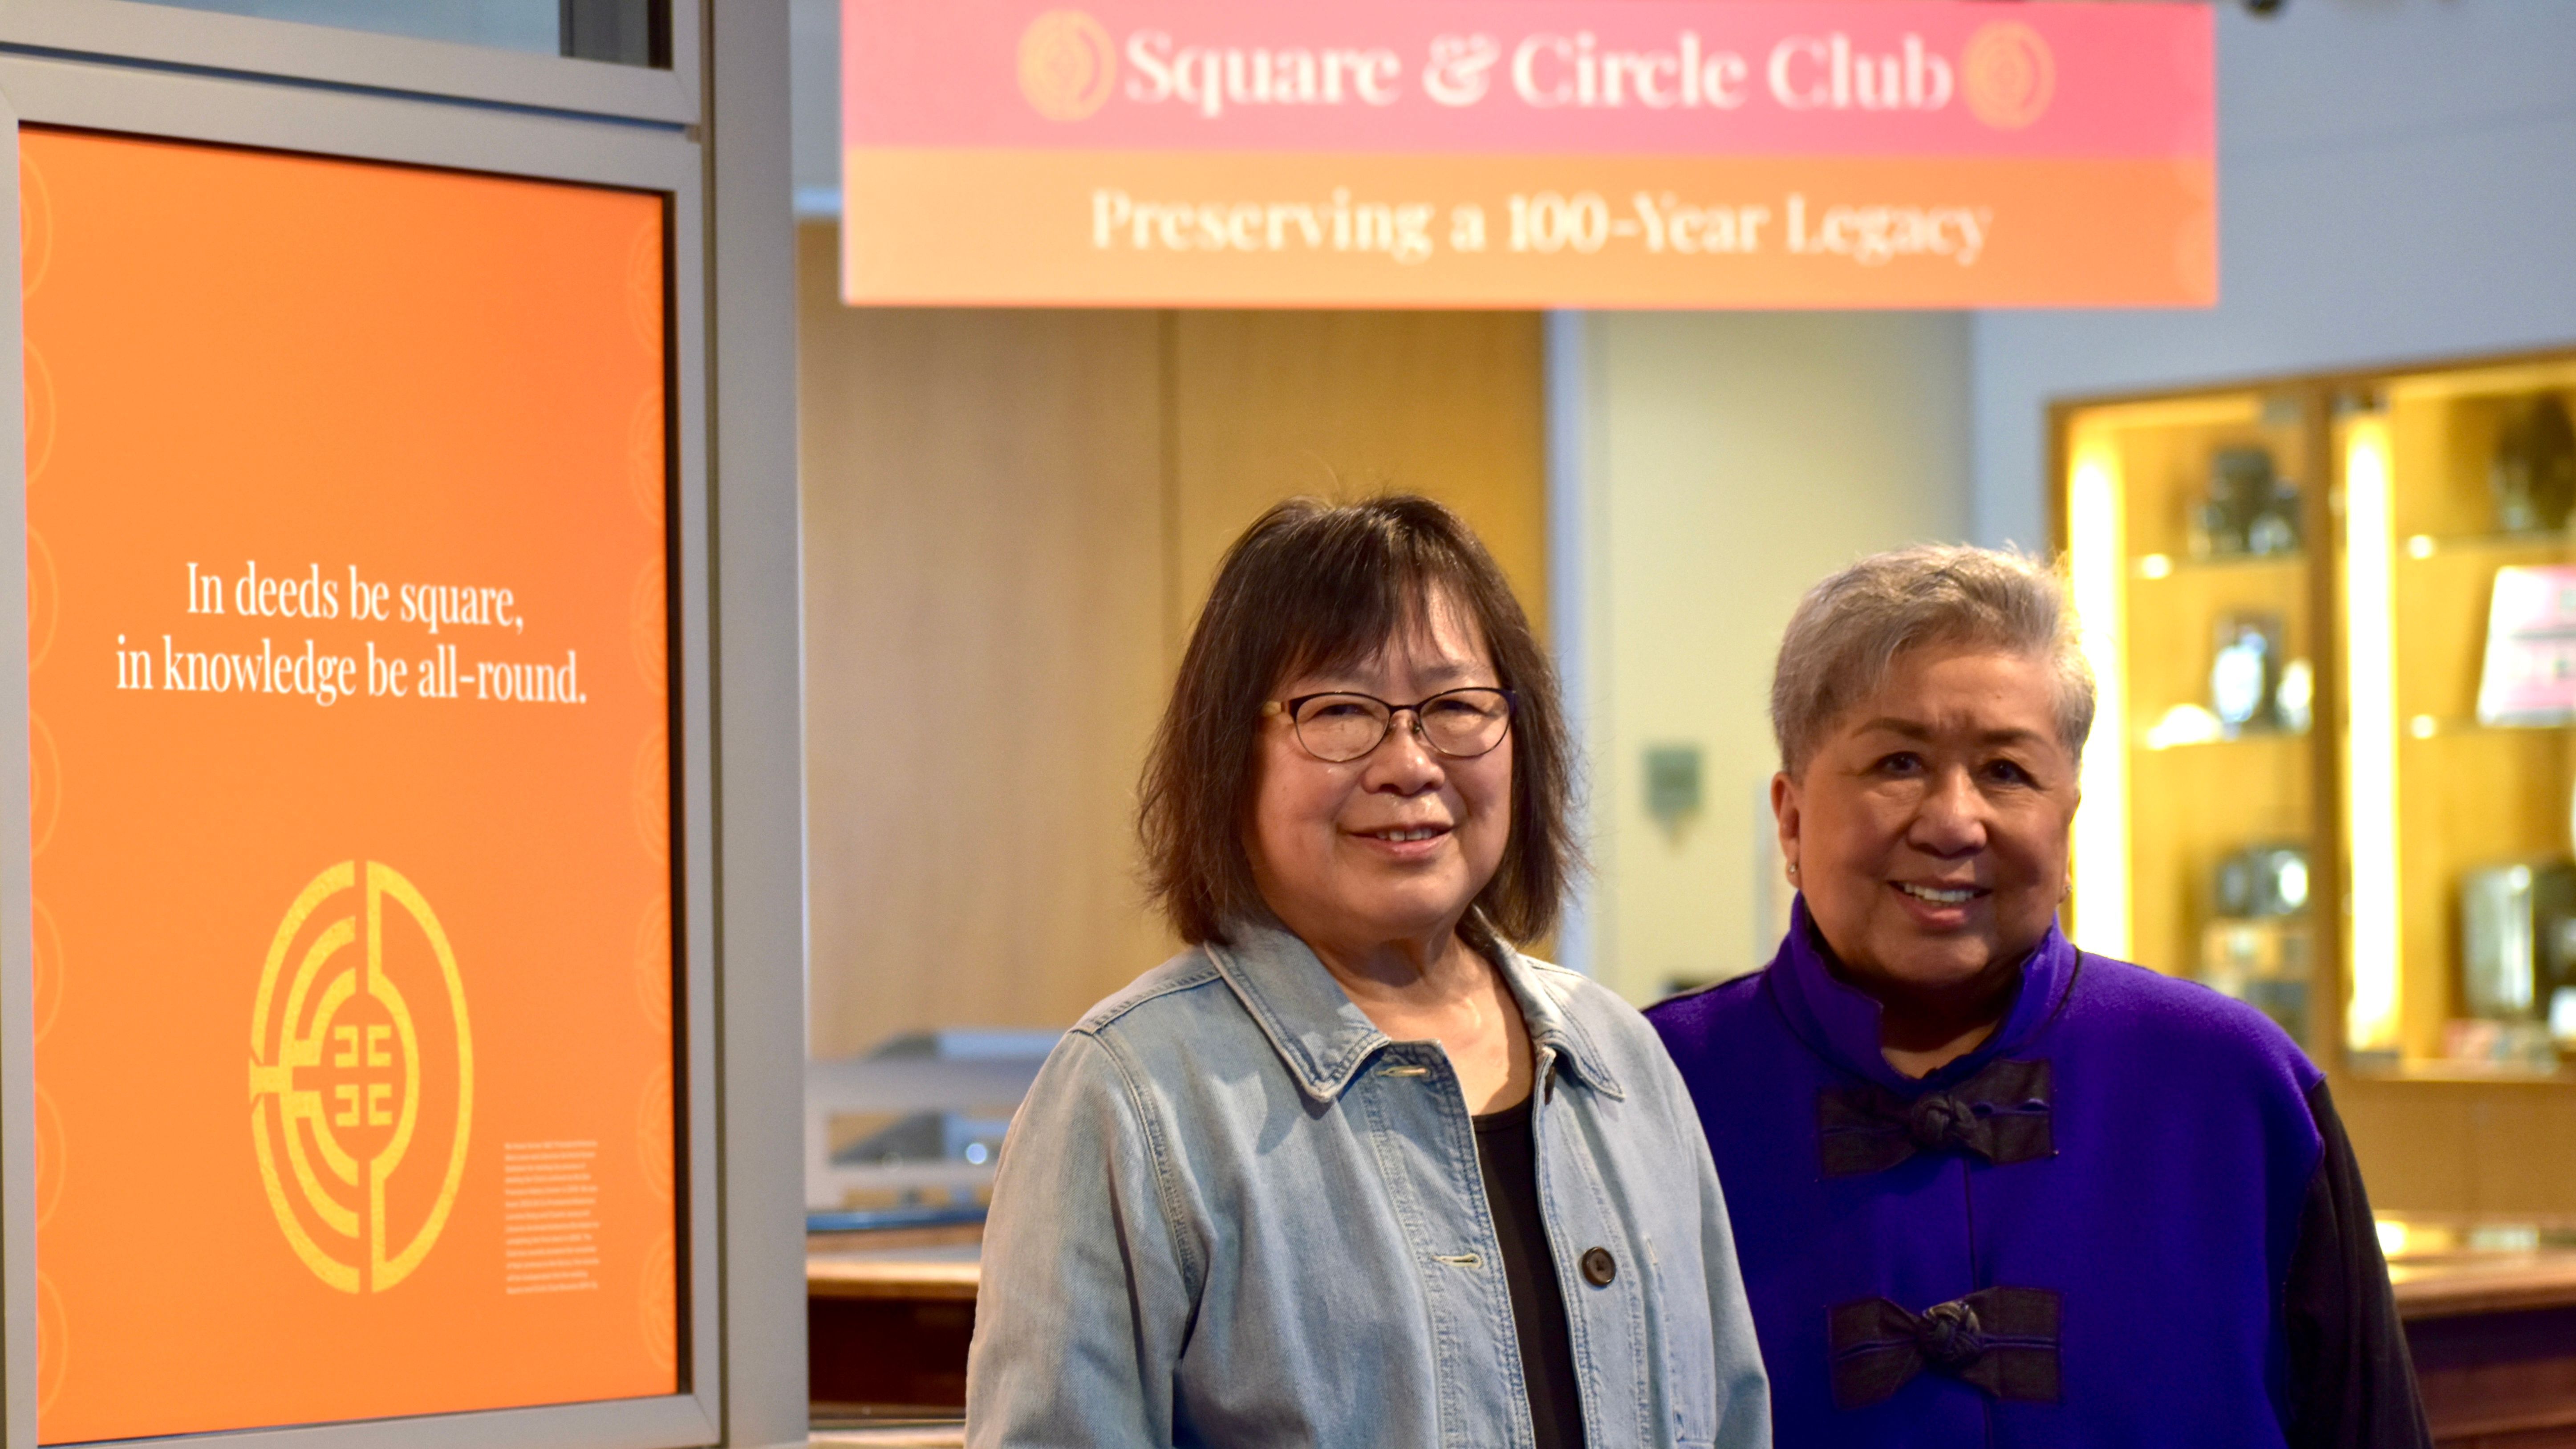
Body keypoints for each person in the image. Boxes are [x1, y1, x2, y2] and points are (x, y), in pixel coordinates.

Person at [967, 495, 1769, 1449]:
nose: (1407, 761)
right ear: (1232, 754)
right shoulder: (1132, 1093)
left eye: (1455, 706)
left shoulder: (1618, 1056)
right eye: (1339, 710)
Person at [1646, 544, 2428, 1449]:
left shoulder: (2233, 1083)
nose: (1950, 820)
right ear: (1788, 816)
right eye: (1898, 762)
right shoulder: (1650, 1090)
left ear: (2067, 820)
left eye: (2005, 771)